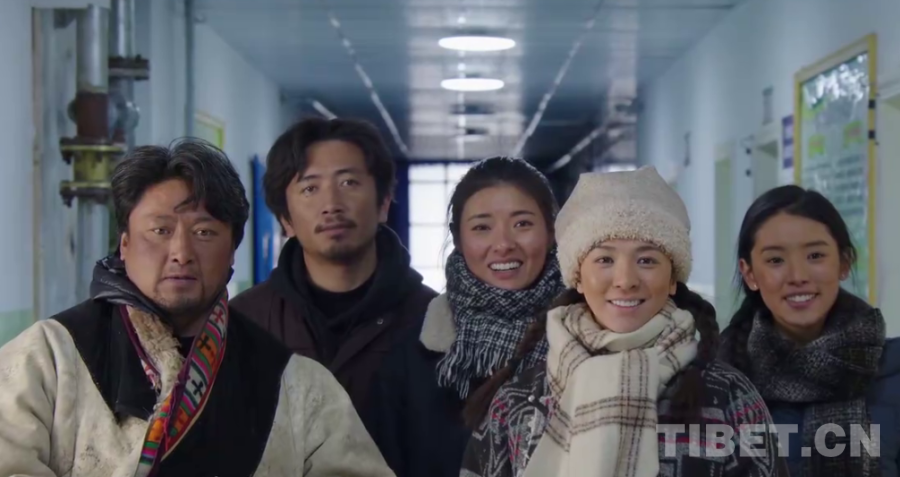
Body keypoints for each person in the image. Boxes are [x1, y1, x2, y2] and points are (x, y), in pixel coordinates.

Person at [0, 139, 394, 477]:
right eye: (160, 230)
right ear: (124, 245)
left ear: (232, 251)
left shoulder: (296, 385)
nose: (181, 253)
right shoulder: (48, 359)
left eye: (204, 232)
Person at [461, 165, 784, 477]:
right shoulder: (520, 401)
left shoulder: (727, 396)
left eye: (646, 260)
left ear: (673, 278)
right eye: (604, 259)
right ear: (577, 277)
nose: (626, 280)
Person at [365, 157, 565, 477]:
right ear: (458, 239)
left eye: (522, 224)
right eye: (482, 227)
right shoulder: (414, 358)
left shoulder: (588, 339)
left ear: (552, 231)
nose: (503, 244)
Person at [230, 117, 436, 412]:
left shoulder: (433, 320)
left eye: (348, 183)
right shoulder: (244, 322)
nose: (331, 205)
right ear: (285, 220)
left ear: (383, 204)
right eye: (310, 188)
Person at [718, 184, 900, 477]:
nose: (798, 276)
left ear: (844, 263)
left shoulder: (892, 370)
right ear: (749, 273)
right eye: (775, 260)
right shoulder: (715, 381)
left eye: (815, 256)